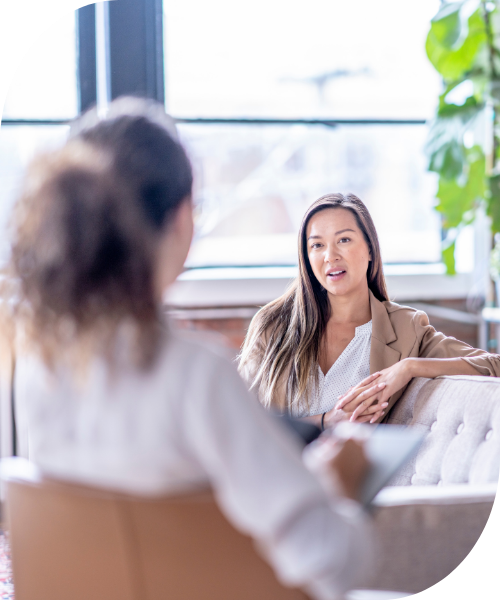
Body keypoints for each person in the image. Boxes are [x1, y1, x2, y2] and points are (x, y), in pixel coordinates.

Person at [1, 98, 373, 600]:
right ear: (181, 219)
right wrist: (334, 487)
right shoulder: (196, 374)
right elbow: (332, 562)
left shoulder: (37, 365)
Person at [239, 193, 500, 430]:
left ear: (371, 250)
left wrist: (408, 368)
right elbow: (237, 421)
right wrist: (326, 422)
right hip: (280, 476)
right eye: (317, 245)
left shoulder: (406, 328)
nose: (330, 255)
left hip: (358, 479)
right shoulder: (272, 325)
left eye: (344, 240)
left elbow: (493, 365)